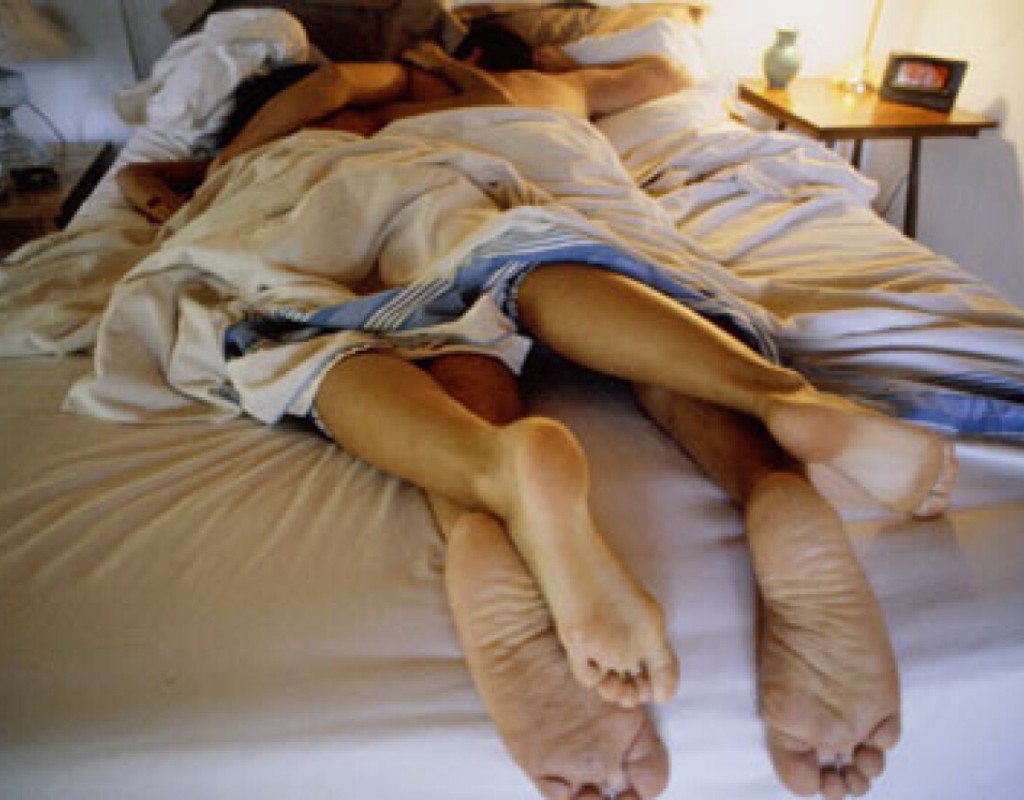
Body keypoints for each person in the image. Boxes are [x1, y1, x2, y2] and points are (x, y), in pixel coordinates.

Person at [120, 25, 957, 800]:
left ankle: (490, 492)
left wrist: (201, 177)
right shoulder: (536, 92)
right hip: (512, 177)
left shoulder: (322, 116)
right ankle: (779, 437)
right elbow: (666, 71)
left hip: (330, 183)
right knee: (547, 270)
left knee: (340, 334)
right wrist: (523, 69)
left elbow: (293, 101)